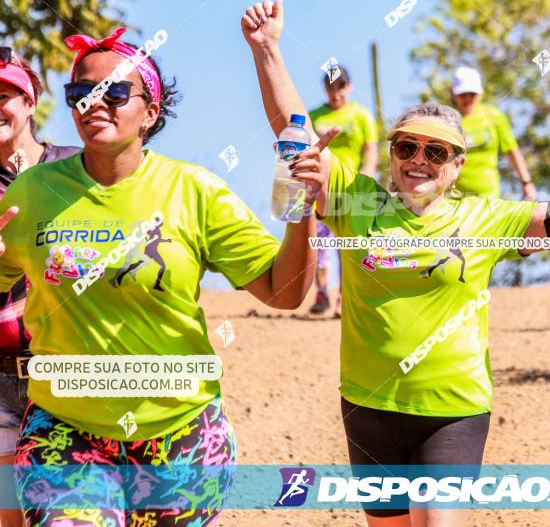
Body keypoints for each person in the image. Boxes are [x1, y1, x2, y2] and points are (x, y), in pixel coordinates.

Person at [243, 0, 550, 526]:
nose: (419, 161)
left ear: (458, 165)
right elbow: (294, 131)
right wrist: (268, 49)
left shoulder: (485, 218)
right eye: (407, 147)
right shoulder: (356, 200)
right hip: (368, 407)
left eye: (436, 153)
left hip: (453, 410)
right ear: (391, 154)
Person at [0, 27, 323, 525]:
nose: (95, 103)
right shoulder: (33, 192)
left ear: (150, 112)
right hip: (66, 429)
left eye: (115, 92)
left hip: (180, 433)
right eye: (80, 93)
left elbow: (284, 292)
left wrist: (304, 210)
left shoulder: (195, 191)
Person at [0, 47, 80, 527]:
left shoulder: (75, 168)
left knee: (72, 509)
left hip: (73, 368)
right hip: (2, 372)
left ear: (30, 103)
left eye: (5, 94)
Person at [308, 66, 378, 316]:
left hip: (351, 187)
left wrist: (366, 177)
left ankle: (343, 299)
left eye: (340, 86)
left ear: (348, 87)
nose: (335, 91)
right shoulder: (314, 115)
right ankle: (322, 293)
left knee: (349, 243)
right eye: (330, 86)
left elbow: (370, 148)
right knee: (319, 242)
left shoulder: (361, 115)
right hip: (320, 188)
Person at [448, 66, 535, 201]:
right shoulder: (447, 121)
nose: (467, 98)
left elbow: (512, 151)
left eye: (472, 94)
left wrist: (526, 182)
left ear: (480, 94)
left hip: (489, 196)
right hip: (454, 198)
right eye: (462, 94)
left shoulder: (494, 117)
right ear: (453, 94)